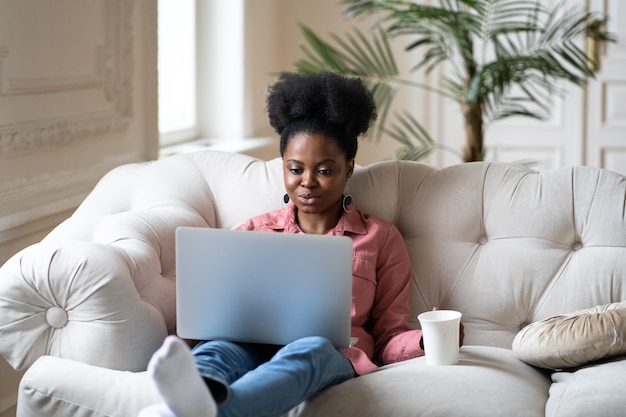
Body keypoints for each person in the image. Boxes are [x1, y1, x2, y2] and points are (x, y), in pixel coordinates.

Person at [138, 72, 463, 417]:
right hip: (252, 346)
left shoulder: (379, 238)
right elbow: (216, 313)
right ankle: (190, 397)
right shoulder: (251, 231)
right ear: (283, 167)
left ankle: (211, 412)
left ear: (348, 167)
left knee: (312, 349)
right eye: (295, 169)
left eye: (324, 170)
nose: (307, 182)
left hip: (329, 356)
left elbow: (388, 335)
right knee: (218, 349)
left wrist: (427, 339)